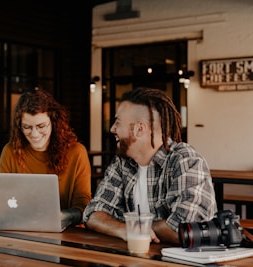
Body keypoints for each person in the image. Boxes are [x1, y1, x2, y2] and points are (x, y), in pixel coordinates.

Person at [83, 87, 217, 244]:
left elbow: (185, 229)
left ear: (140, 129)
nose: (112, 129)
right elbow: (93, 214)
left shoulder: (186, 160)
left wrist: (131, 227)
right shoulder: (122, 162)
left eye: (118, 122)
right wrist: (124, 229)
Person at [0, 88, 91, 226]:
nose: (34, 134)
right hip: (19, 226)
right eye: (27, 127)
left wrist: (62, 216)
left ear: (53, 122)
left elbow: (84, 204)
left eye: (41, 126)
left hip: (67, 231)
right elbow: (0, 197)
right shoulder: (10, 151)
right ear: (19, 126)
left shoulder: (76, 152)